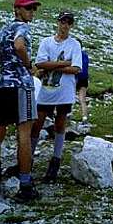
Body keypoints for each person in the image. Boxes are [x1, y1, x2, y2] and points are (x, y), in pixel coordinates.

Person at [0, 0, 40, 201]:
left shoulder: (3, 30)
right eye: (28, 8)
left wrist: (2, 62)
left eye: (33, 8)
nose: (31, 12)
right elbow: (20, 46)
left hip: (4, 85)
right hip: (21, 85)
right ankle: (25, 184)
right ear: (17, 10)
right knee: (24, 133)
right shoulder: (22, 28)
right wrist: (28, 65)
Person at [30, 10, 82, 183]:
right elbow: (39, 64)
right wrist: (64, 63)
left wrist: (50, 66)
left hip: (65, 92)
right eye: (62, 22)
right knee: (37, 123)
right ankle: (27, 158)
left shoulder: (75, 44)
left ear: (71, 25)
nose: (64, 25)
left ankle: (56, 161)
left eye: (68, 22)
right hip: (45, 92)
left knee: (61, 124)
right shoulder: (46, 42)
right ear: (58, 23)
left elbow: (76, 68)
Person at [76, 40, 90, 123]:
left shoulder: (75, 54)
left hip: (75, 77)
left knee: (68, 97)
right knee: (82, 99)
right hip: (84, 79)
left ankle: (64, 115)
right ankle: (84, 117)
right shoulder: (85, 55)